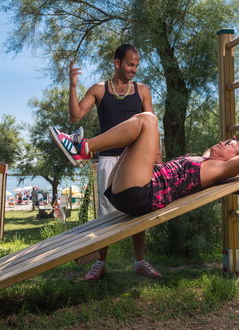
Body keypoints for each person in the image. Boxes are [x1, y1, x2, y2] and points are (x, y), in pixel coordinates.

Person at [49, 112, 239, 217]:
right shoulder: (208, 160)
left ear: (232, 159)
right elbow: (227, 150)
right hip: (132, 189)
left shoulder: (219, 169)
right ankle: (83, 149)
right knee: (139, 122)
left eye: (227, 143)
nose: (221, 141)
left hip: (142, 193)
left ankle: (83, 149)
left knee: (148, 120)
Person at [68, 44, 162, 281]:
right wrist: (72, 86)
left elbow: (152, 128)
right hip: (108, 159)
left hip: (136, 161)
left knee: (141, 210)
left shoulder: (142, 91)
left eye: (137, 65)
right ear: (117, 62)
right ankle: (101, 264)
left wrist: (157, 160)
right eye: (130, 64)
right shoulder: (99, 90)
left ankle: (140, 261)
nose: (134, 69)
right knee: (105, 214)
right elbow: (76, 115)